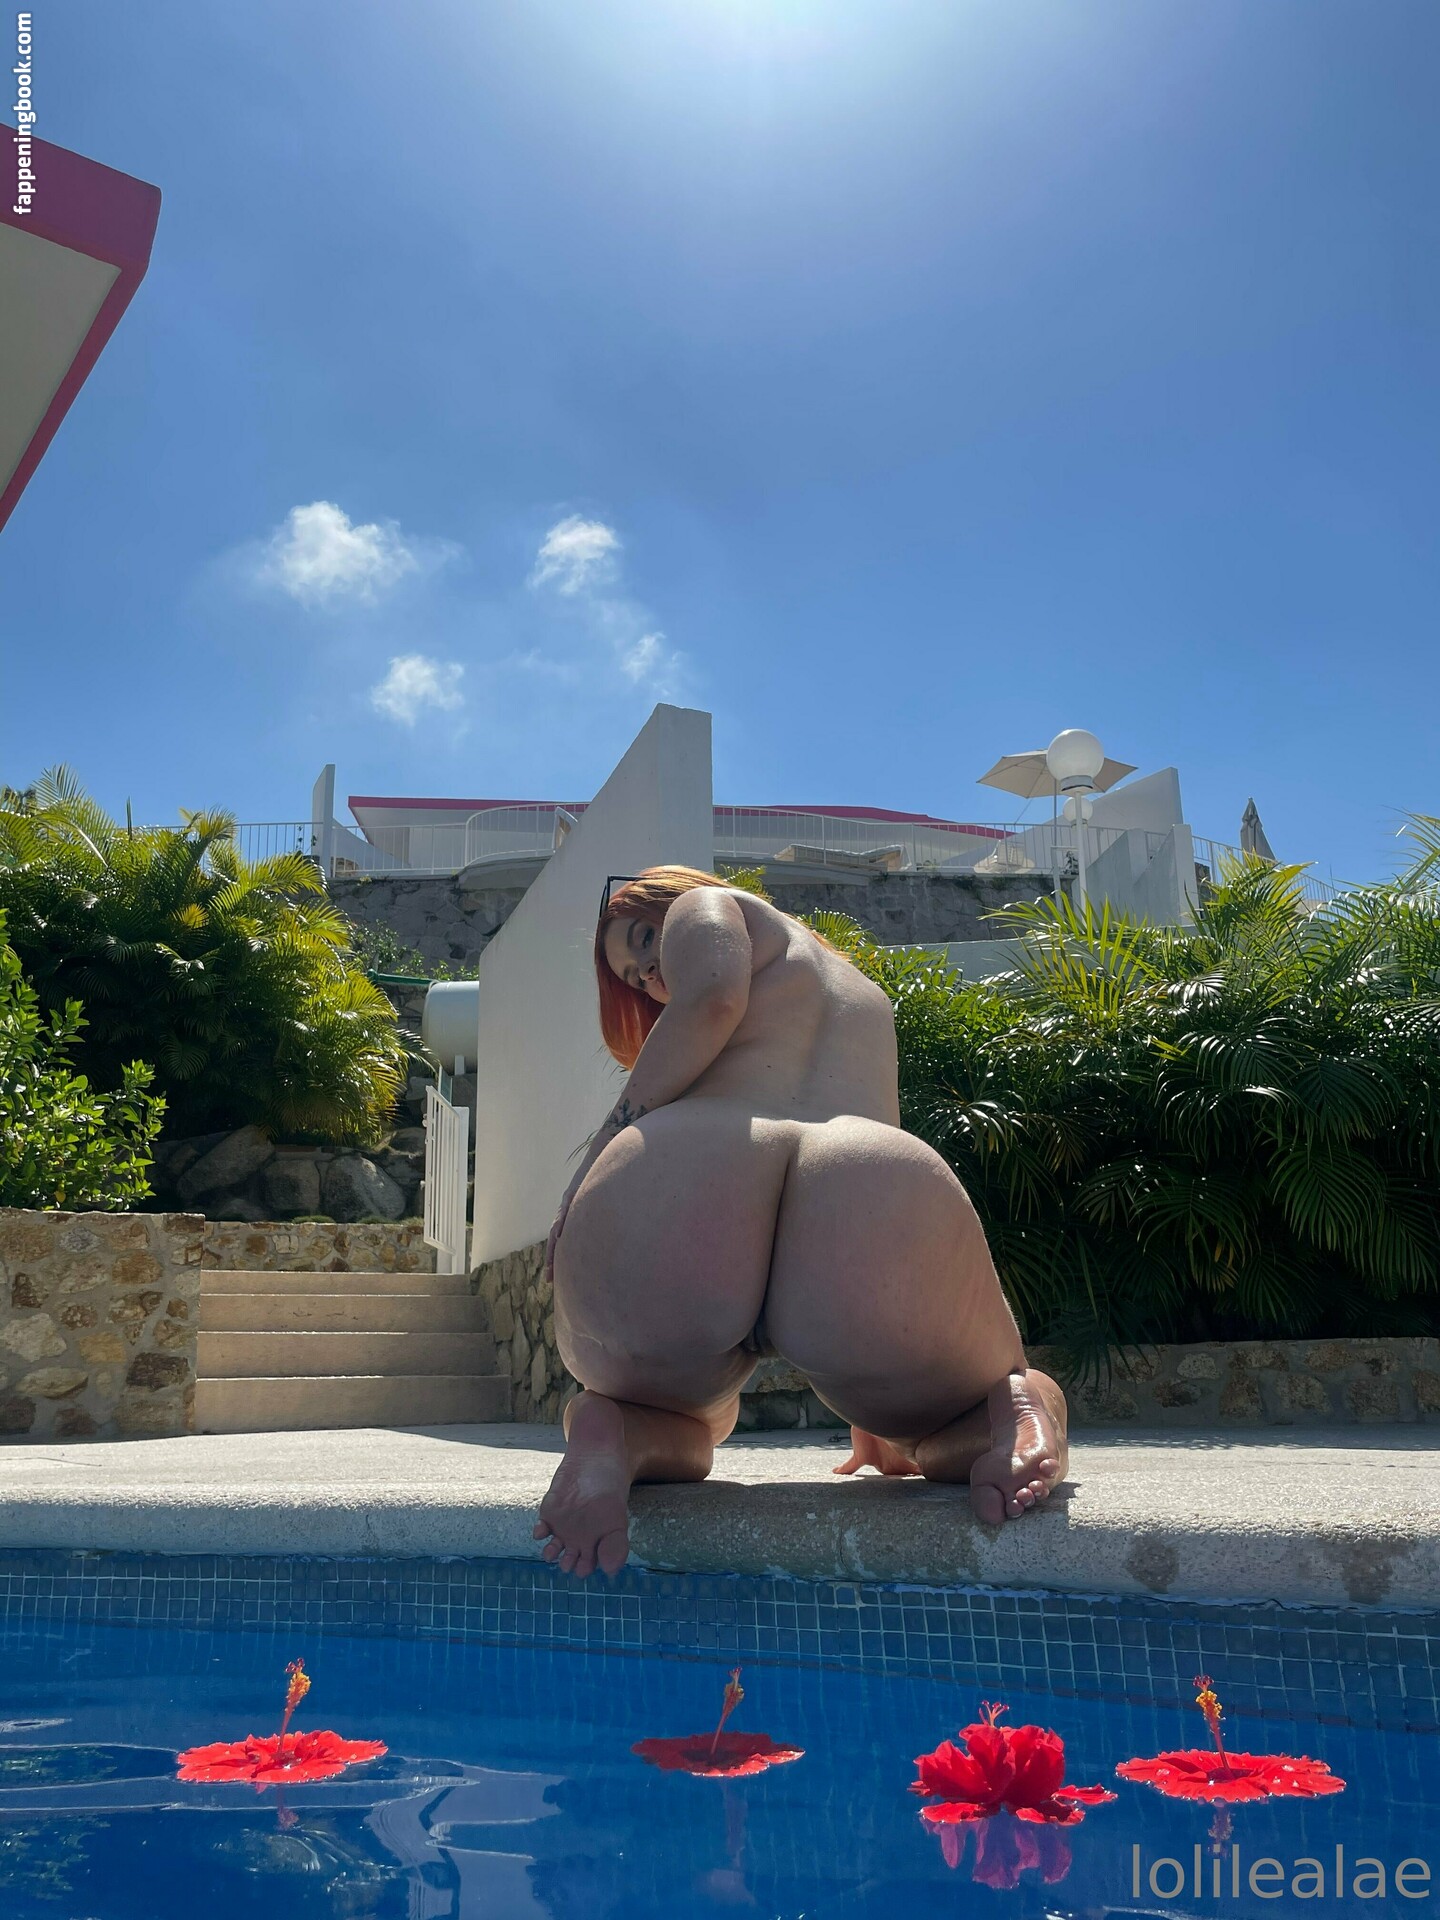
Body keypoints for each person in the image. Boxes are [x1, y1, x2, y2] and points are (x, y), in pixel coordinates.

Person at [533, 867, 1067, 1579]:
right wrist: (872, 1406)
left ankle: (610, 1431)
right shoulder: (865, 994)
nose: (650, 975)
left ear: (669, 897)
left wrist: (599, 1152)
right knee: (949, 1424)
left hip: (689, 1166)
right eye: (636, 979)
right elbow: (863, 1183)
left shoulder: (706, 904)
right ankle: (1018, 1409)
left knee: (673, 1419)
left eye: (641, 940)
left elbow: (714, 998)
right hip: (865, 1164)